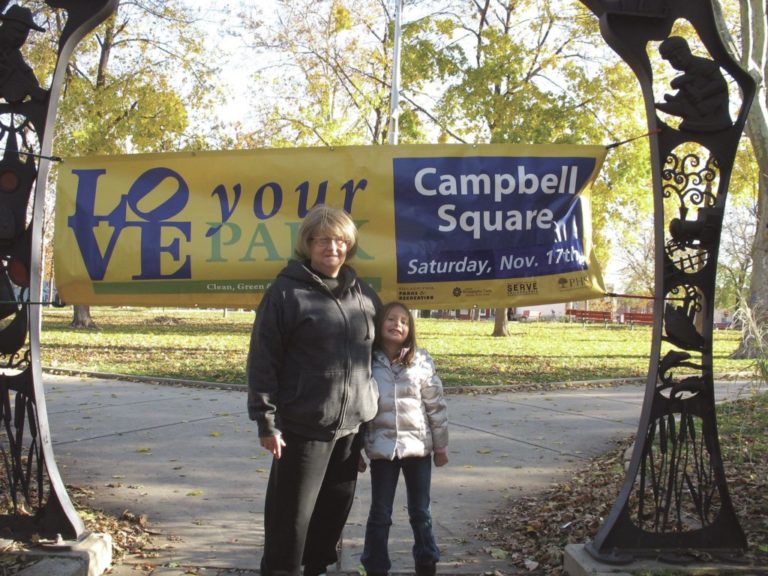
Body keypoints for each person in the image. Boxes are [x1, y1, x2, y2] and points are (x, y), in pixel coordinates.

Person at [247, 204, 382, 576]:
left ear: (349, 245)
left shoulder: (364, 295)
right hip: (302, 428)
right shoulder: (285, 293)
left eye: (340, 241)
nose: (332, 248)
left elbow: (380, 361)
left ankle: (316, 570)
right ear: (307, 244)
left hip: (351, 430)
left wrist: (372, 422)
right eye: (323, 240)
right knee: (290, 521)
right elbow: (263, 358)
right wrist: (266, 421)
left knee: (332, 517)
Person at [361, 301, 449, 576]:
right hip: (383, 451)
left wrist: (441, 445)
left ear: (410, 329)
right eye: (390, 319)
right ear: (380, 324)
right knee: (380, 514)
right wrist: (355, 451)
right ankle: (375, 566)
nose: (396, 325)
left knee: (420, 512)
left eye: (403, 321)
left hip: (418, 450)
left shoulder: (421, 360)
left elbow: (436, 406)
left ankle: (426, 562)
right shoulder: (367, 361)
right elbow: (359, 408)